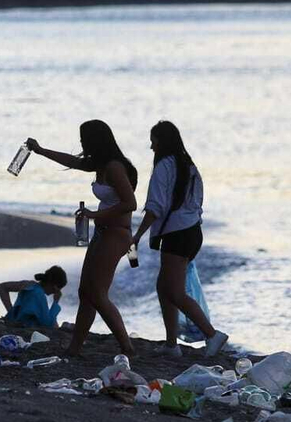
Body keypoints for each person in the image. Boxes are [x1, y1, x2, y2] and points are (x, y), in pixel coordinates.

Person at [25, 120, 138, 358]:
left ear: (95, 140)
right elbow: (73, 162)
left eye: (83, 139)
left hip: (117, 235)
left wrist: (95, 214)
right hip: (102, 232)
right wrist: (41, 150)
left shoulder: (115, 167)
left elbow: (130, 203)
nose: (81, 143)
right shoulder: (100, 165)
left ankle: (127, 347)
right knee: (85, 292)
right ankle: (75, 348)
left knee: (97, 293)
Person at [132, 120, 229, 358]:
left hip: (178, 234)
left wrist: (137, 235)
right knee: (164, 287)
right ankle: (171, 344)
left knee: (174, 292)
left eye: (153, 140)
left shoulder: (165, 166)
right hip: (192, 232)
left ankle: (212, 334)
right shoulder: (189, 165)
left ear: (162, 141)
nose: (151, 146)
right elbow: (196, 204)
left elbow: (155, 207)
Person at [0, 265, 67, 328]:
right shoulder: (39, 294)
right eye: (59, 288)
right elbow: (47, 323)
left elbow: (2, 287)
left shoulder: (29, 285)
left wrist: (11, 313)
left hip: (14, 322)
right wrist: (56, 302)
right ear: (55, 286)